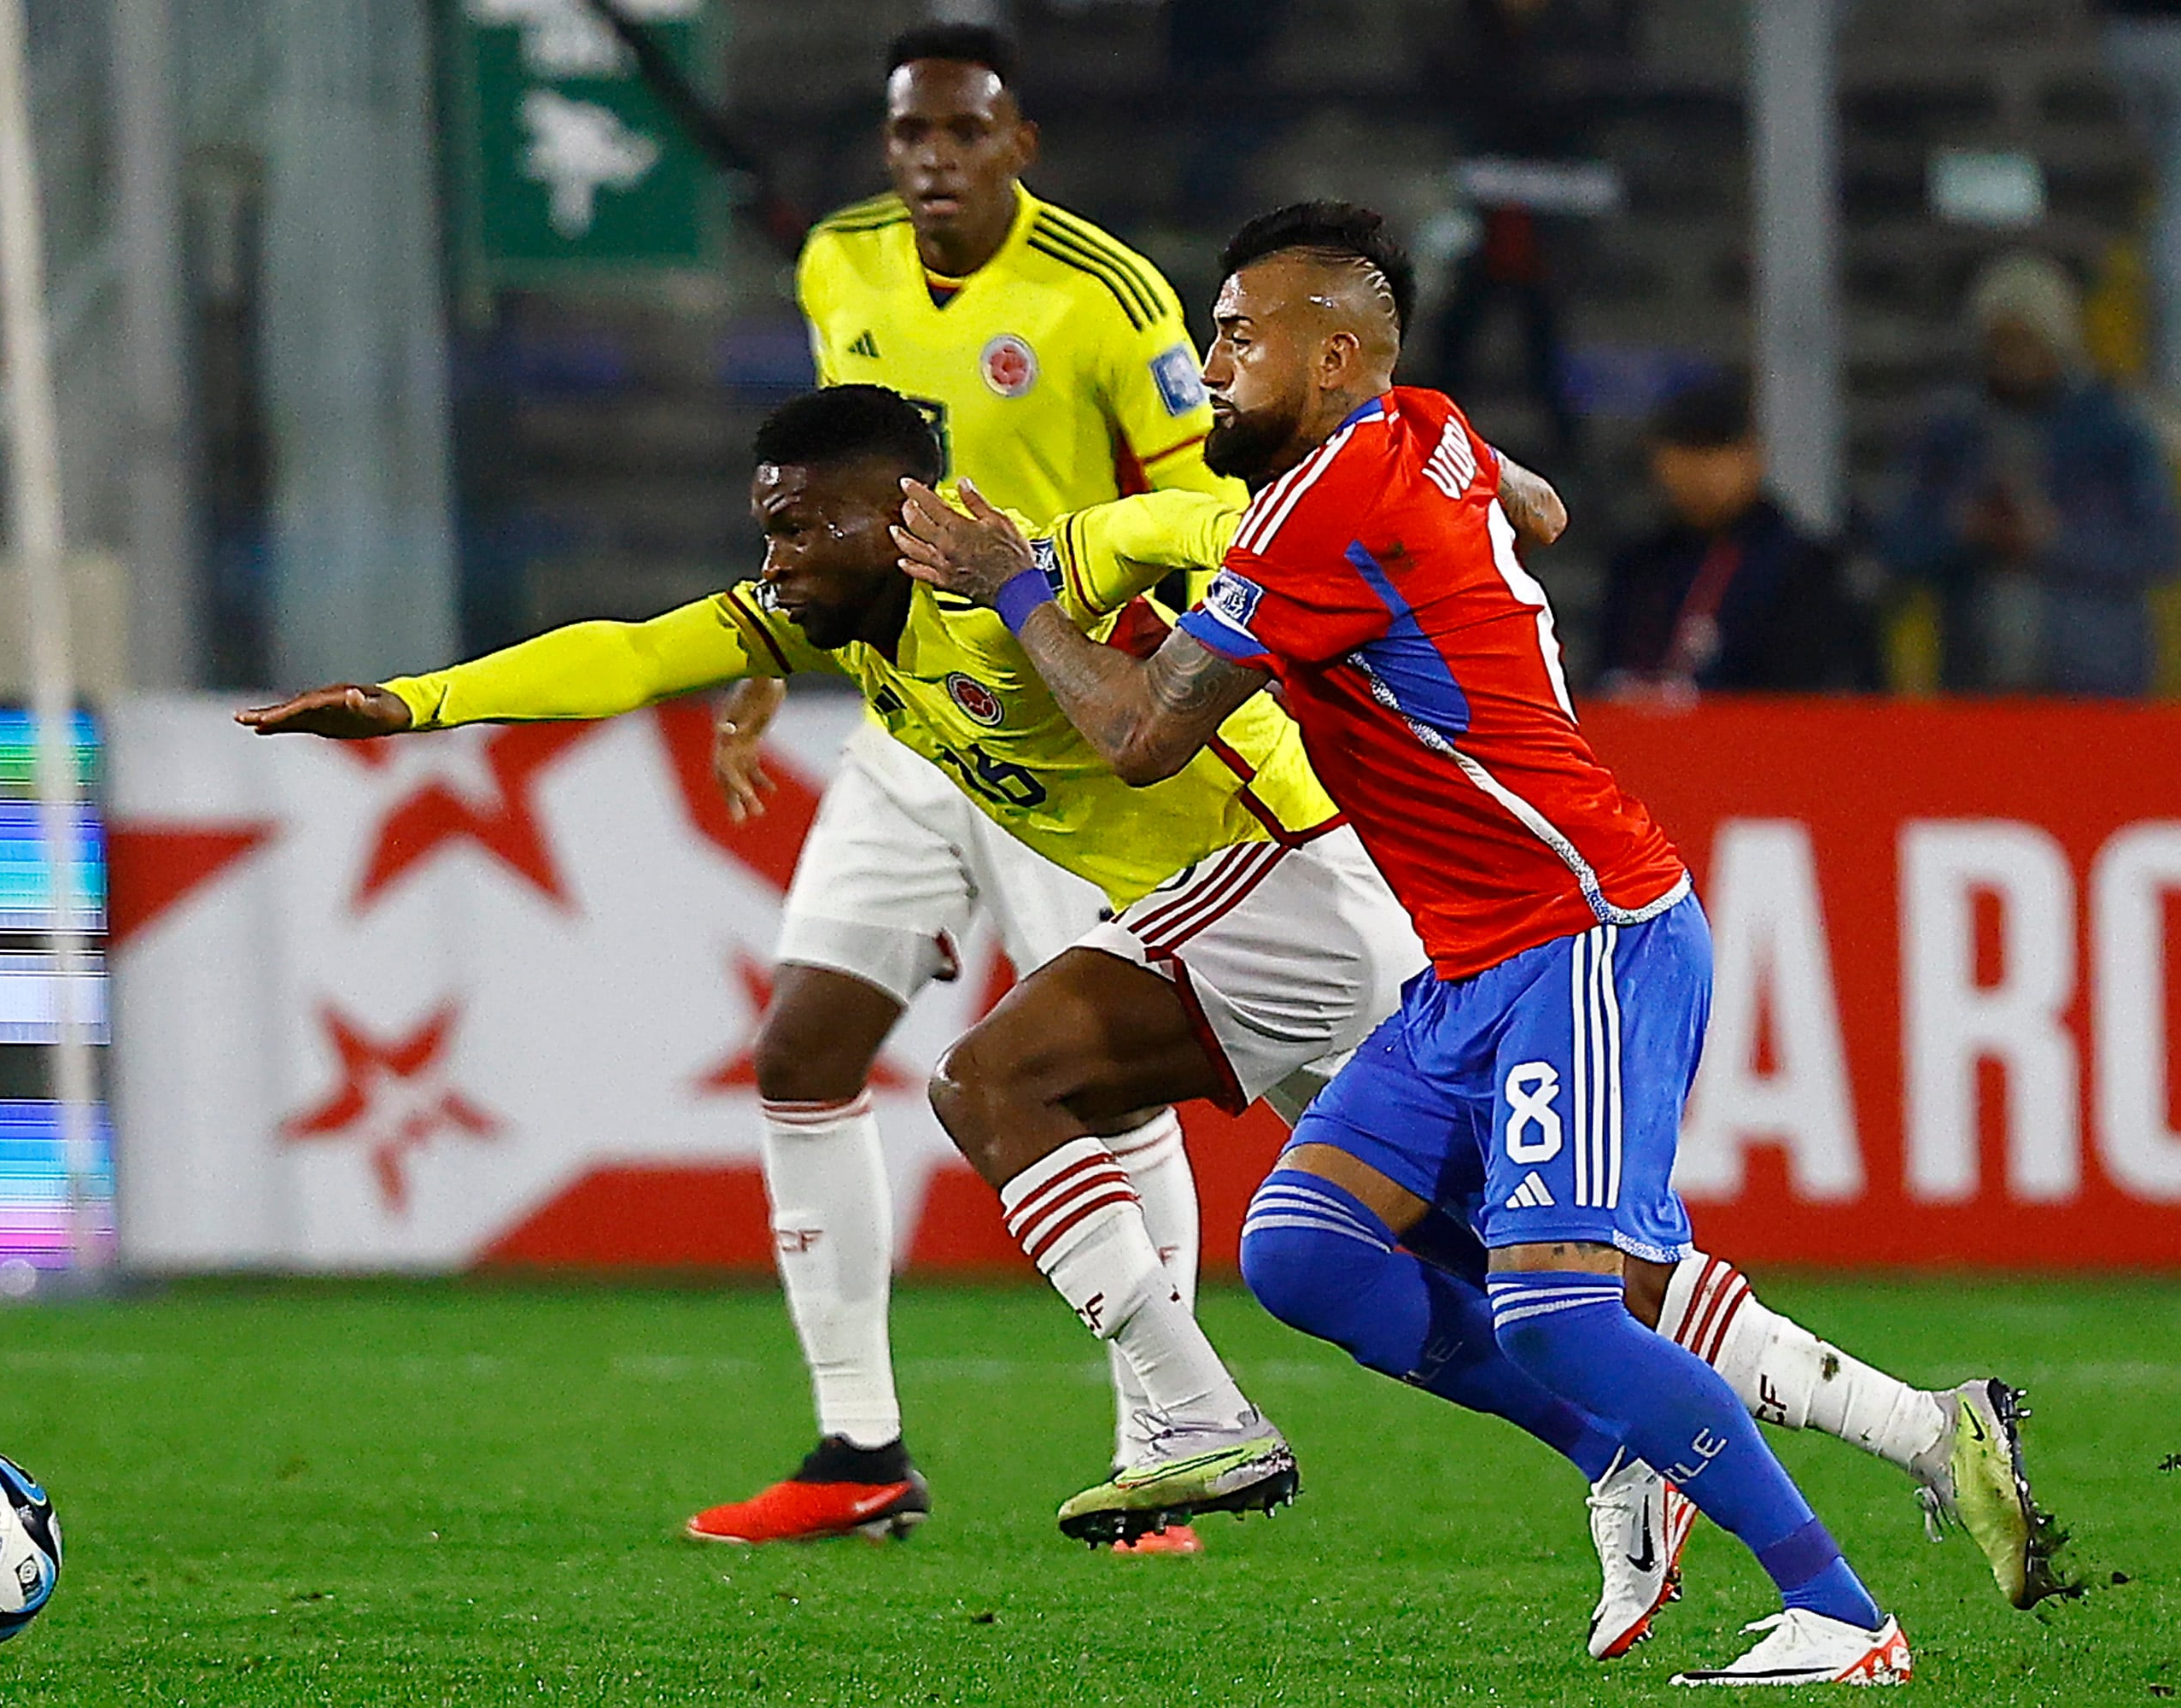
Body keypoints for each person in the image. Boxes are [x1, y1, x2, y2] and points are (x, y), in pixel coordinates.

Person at [247, 383, 2059, 1662]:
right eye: (765, 535)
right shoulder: (846, 627)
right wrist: (414, 703)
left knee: (1009, 1078)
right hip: (1260, 926)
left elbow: (1216, 513)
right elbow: (629, 649)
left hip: (1304, 891)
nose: (772, 563)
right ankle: (1888, 1432)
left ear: (895, 512)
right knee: (1454, 1264)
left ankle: (1212, 1419)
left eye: (798, 528)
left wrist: (1462, 482)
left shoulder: (1032, 558)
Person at [892, 201, 1952, 1684]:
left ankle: (1843, 1613)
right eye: (1211, 334)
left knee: (1558, 1306)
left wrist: (1014, 582)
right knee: (1308, 1252)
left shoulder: (1321, 512)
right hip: (1472, 962)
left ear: (1332, 360)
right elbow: (1539, 503)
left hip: (1580, 926)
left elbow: (1137, 738)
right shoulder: (1417, 427)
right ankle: (1628, 1458)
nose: (1207, 367)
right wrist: (1481, 495)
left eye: (1238, 339)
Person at [692, 22, 1248, 1548]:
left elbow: (1213, 502)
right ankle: (857, 1448)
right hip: (899, 716)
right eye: (908, 138)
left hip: (1050, 721)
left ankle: (1165, 1454)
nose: (931, 162)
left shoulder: (1107, 295)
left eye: (962, 133)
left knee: (1101, 1077)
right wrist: (763, 650)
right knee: (803, 1047)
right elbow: (824, 490)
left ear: (1020, 146)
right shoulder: (837, 266)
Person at [1880, 251, 2178, 696]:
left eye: (2026, 341)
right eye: (2001, 342)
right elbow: (1894, 541)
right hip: (1978, 689)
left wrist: (2056, 539)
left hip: (2095, 690)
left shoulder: (2113, 428)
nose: (2012, 357)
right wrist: (1962, 529)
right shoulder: (1950, 431)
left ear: (2058, 340)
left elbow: (2160, 547)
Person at [1594, 371, 1879, 697]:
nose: (1700, 471)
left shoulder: (1801, 569)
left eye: (1717, 450)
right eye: (1686, 451)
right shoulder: (1639, 568)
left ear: (1754, 455)